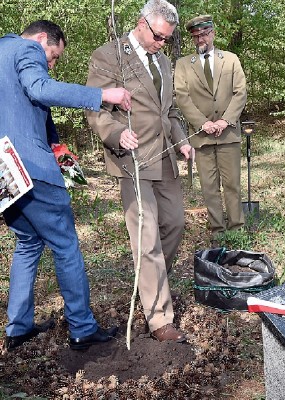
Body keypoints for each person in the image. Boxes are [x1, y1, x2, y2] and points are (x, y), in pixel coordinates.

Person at [0, 20, 131, 350]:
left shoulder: (2, 50)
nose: (51, 65)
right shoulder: (27, 48)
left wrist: (70, 172)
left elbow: (38, 118)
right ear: (43, 39)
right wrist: (102, 94)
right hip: (27, 164)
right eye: (54, 57)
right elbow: (41, 90)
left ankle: (18, 327)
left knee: (28, 242)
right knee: (65, 244)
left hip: (3, 168)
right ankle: (83, 328)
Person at [85, 0, 192, 342]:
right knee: (146, 240)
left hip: (163, 158)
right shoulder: (109, 55)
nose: (162, 44)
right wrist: (116, 133)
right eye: (159, 37)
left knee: (175, 224)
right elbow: (95, 107)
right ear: (142, 24)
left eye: (167, 39)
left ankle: (153, 278)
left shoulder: (162, 61)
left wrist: (181, 141)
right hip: (132, 159)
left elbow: (169, 111)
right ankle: (160, 318)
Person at [174, 15, 247, 237]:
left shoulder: (231, 59)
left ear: (213, 33)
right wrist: (202, 123)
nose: (200, 39)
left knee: (232, 184)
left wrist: (225, 120)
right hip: (201, 136)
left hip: (229, 134)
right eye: (196, 36)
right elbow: (181, 97)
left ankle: (237, 227)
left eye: (204, 34)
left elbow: (240, 92)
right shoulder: (183, 65)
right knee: (209, 186)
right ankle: (217, 229)